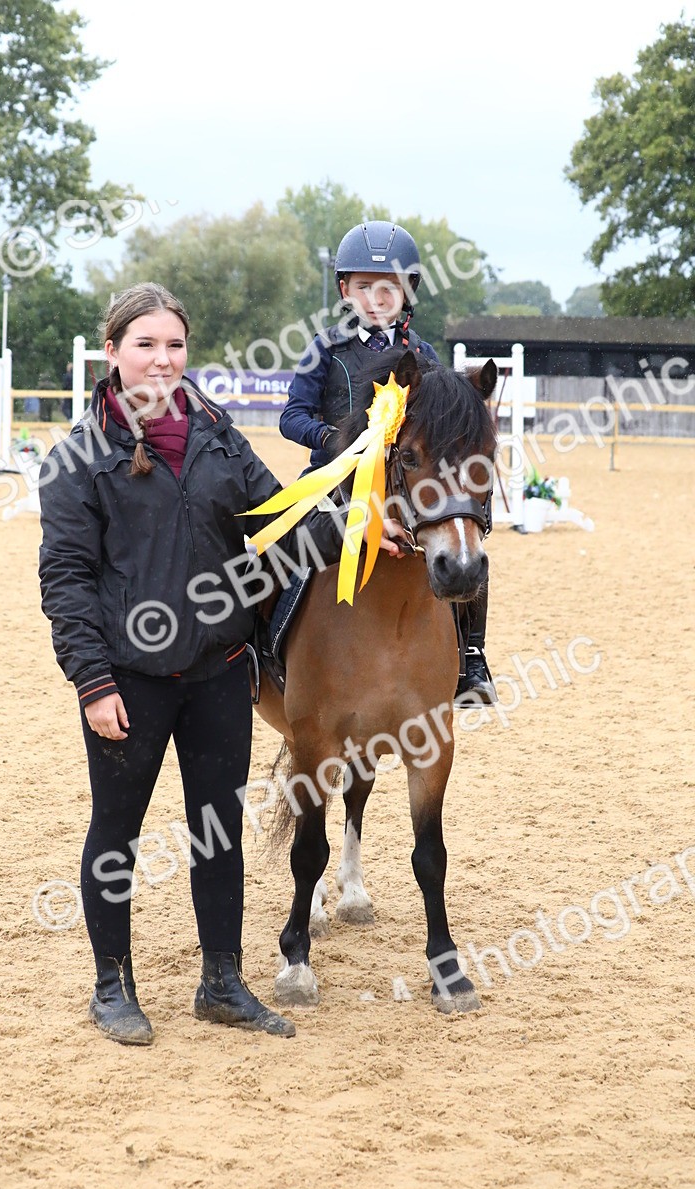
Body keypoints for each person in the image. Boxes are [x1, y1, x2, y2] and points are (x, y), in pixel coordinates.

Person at [38, 282, 405, 1047]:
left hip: (218, 670)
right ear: (113, 353)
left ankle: (221, 983)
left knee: (217, 832)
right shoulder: (76, 457)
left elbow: (278, 521)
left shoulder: (216, 434)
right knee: (117, 834)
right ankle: (113, 988)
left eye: (174, 344)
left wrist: (361, 530)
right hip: (128, 680)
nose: (163, 359)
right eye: (145, 345)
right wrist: (93, 681)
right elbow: (66, 580)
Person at [279, 221, 497, 705]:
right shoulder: (326, 351)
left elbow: (441, 429)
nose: (376, 298)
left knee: (466, 543)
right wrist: (338, 442)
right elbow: (291, 418)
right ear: (344, 290)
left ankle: (472, 657)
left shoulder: (422, 355)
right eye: (363, 287)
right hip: (332, 480)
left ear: (407, 291)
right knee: (282, 546)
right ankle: (266, 649)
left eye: (388, 288)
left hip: (403, 483)